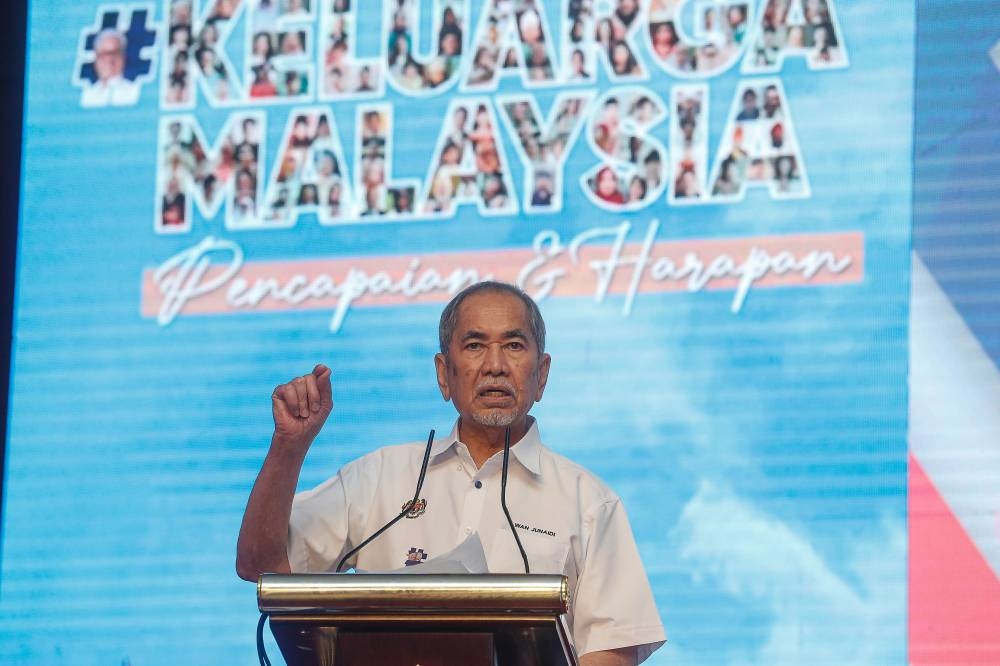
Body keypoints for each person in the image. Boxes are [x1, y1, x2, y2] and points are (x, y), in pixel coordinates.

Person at [236, 282, 667, 665]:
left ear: (542, 375)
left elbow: (613, 649)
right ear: (444, 374)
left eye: (514, 346)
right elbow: (261, 565)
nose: (495, 365)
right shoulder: (379, 477)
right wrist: (288, 447)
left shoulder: (589, 502)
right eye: (475, 345)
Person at [81, 28, 141, 107]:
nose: (109, 59)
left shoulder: (134, 92)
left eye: (115, 53)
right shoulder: (87, 96)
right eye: (104, 53)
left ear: (123, 57)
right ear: (96, 58)